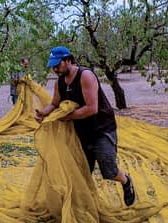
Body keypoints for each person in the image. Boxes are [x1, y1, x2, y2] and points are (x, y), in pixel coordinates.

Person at [34, 46, 136, 206]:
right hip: (81, 132)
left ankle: (126, 181)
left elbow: (92, 108)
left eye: (57, 64)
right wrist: (43, 113)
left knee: (109, 170)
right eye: (52, 66)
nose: (55, 69)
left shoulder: (85, 76)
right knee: (81, 171)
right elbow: (54, 103)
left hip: (101, 129)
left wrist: (66, 117)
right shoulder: (60, 82)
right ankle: (83, 205)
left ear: (68, 60)